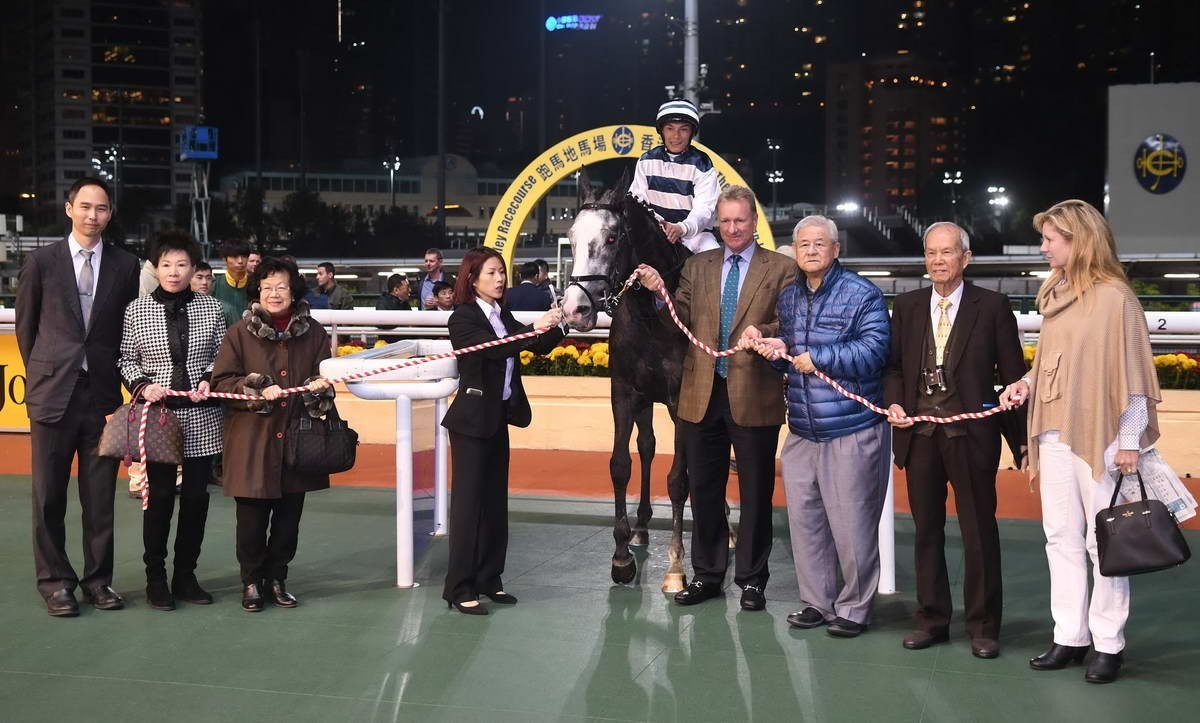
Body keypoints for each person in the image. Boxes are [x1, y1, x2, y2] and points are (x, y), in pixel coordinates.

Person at [999, 200, 1161, 684]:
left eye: (1051, 238)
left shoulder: (1116, 298)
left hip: (1104, 439)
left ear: (1079, 239)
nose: (1043, 247)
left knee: (1102, 541)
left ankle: (1109, 643)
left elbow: (1133, 378)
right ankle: (1069, 635)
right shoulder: (1055, 293)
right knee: (1060, 538)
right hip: (1052, 431)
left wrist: (1129, 440)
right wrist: (1026, 383)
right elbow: (1053, 359)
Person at [633, 184, 793, 612]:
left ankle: (753, 580)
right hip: (700, 394)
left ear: (754, 222)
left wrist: (768, 333)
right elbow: (678, 320)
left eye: (740, 220)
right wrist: (656, 291)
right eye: (724, 221)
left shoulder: (781, 268)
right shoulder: (697, 266)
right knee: (704, 489)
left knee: (757, 493)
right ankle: (707, 574)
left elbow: (791, 324)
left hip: (753, 395)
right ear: (716, 223)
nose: (732, 228)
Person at [883, 222, 1027, 658]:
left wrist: (1019, 441)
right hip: (919, 434)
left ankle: (983, 626)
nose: (939, 261)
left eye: (948, 253)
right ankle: (932, 620)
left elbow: (1013, 378)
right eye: (931, 253)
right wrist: (894, 403)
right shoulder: (906, 306)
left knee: (978, 532)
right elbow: (893, 368)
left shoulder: (993, 306)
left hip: (972, 435)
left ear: (966, 258)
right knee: (926, 532)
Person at [750, 215, 891, 637]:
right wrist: (781, 346)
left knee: (851, 526)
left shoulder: (862, 294)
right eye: (803, 244)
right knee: (806, 524)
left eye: (819, 243)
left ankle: (854, 607)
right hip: (802, 430)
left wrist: (820, 356)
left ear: (836, 249)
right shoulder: (790, 297)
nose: (811, 250)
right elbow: (796, 346)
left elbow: (875, 351)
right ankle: (817, 601)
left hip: (851, 428)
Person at [15, 176, 140, 617]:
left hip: (103, 397)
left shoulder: (126, 266)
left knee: (100, 498)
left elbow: (127, 332)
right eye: (85, 206)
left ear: (110, 214)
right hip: (52, 395)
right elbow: (26, 331)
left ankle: (98, 582)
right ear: (69, 208)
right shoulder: (41, 262)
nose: (93, 215)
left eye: (101, 208)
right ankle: (55, 583)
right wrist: (43, 378)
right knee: (47, 495)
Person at [441, 247, 565, 614]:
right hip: (470, 423)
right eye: (492, 273)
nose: (499, 279)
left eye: (501, 273)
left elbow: (534, 345)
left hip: (497, 419)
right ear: (472, 279)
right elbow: (494, 350)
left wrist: (560, 323)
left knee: (495, 504)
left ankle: (489, 579)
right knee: (468, 507)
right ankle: (459, 587)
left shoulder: (500, 313)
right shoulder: (462, 318)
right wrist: (531, 329)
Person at [212, 257, 335, 613]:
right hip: (252, 442)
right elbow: (222, 381)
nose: (274, 293)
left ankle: (277, 578)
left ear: (293, 289)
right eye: (267, 287)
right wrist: (254, 387)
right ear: (257, 292)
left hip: (297, 441)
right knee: (250, 520)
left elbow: (321, 374)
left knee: (287, 521)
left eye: (281, 286)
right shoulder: (239, 332)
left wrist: (317, 386)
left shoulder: (313, 333)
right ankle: (251, 581)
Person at [117, 230, 226, 610]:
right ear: (155, 267)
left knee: (196, 499)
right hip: (159, 418)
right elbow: (126, 360)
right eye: (166, 264)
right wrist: (143, 384)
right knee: (159, 498)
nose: (174, 271)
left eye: (182, 264)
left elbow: (220, 355)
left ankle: (185, 576)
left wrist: (208, 378)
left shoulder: (211, 308)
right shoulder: (136, 310)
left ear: (194, 268)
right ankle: (155, 579)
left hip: (201, 416)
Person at [629, 99, 721, 254]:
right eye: (670, 128)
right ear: (662, 131)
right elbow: (637, 201)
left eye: (683, 129)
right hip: (657, 233)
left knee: (713, 254)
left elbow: (704, 210)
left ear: (692, 132)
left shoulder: (703, 164)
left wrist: (681, 228)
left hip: (695, 236)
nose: (676, 136)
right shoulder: (646, 161)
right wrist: (660, 225)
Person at [211, 238, 251, 328]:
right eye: (235, 257)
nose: (240, 261)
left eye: (244, 256)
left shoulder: (255, 285)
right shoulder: (213, 285)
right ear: (225, 259)